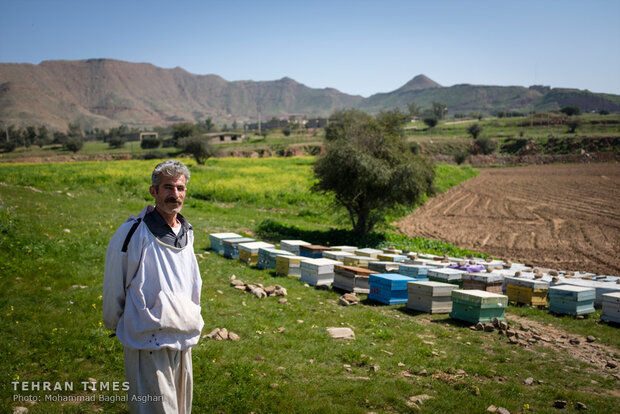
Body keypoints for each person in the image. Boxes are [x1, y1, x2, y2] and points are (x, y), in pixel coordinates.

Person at [103, 160, 204, 413]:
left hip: (183, 335)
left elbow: (193, 282)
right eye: (168, 187)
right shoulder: (133, 232)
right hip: (147, 338)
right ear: (153, 191)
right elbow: (115, 281)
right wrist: (116, 323)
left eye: (180, 188)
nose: (175, 194)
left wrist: (191, 314)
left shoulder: (187, 232)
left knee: (181, 407)